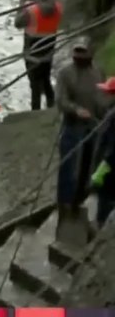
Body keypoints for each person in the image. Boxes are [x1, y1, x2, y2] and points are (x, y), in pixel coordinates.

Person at [54, 44, 109, 221]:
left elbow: (102, 95)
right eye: (76, 51)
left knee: (89, 163)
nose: (79, 55)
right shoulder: (65, 73)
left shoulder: (98, 71)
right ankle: (64, 203)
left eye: (83, 52)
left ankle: (81, 198)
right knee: (68, 165)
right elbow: (61, 100)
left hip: (94, 125)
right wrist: (76, 110)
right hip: (72, 126)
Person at [15, 0, 63, 110]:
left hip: (32, 52)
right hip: (48, 51)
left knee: (35, 86)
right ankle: (51, 106)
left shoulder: (31, 10)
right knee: (46, 80)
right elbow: (48, 4)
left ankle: (35, 112)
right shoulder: (58, 7)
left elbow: (17, 23)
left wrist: (21, 5)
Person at [90, 76, 115, 227]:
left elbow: (112, 147)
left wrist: (101, 168)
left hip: (109, 171)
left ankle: (101, 227)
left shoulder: (113, 117)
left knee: (105, 202)